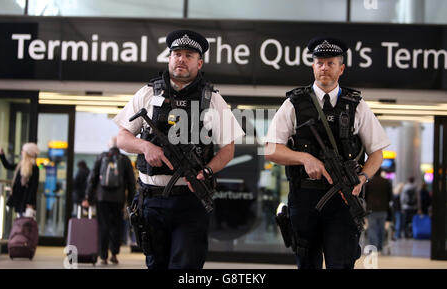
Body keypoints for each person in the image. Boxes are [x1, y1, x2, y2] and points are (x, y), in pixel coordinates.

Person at [114, 29, 244, 269]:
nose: (181, 59)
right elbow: (122, 138)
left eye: (188, 55)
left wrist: (206, 171)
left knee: (186, 267)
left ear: (199, 62)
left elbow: (228, 149)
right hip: (150, 200)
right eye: (176, 54)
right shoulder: (148, 93)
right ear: (169, 58)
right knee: (156, 264)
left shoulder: (212, 99)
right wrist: (145, 147)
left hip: (190, 199)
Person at [265, 37, 390, 269]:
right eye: (319, 62)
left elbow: (377, 153)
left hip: (343, 200)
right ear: (313, 66)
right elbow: (271, 149)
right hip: (304, 199)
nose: (324, 67)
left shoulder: (356, 105)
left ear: (341, 68)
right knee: (307, 263)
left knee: (341, 263)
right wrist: (303, 157)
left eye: (330, 63)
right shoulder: (294, 103)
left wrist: (362, 178)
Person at [82, 136, 136, 265]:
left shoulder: (101, 157)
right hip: (118, 199)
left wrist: (88, 197)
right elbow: (131, 182)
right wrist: (131, 201)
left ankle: (103, 256)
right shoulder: (124, 159)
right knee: (116, 226)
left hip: (102, 198)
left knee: (103, 226)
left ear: (109, 145)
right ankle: (114, 254)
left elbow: (92, 178)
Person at [0, 143, 40, 217]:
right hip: (20, 202)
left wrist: (30, 204)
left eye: (23, 151)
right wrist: (2, 155)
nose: (21, 152)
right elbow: (8, 166)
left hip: (27, 205)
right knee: (21, 224)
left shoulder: (34, 168)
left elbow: (33, 187)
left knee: (24, 225)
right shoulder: (21, 165)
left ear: (28, 153)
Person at [364, 168, 392, 252]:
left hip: (371, 209)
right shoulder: (386, 182)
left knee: (372, 228)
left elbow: (365, 195)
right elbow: (390, 196)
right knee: (381, 228)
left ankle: (373, 247)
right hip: (383, 208)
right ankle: (380, 247)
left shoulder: (369, 182)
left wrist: (368, 203)